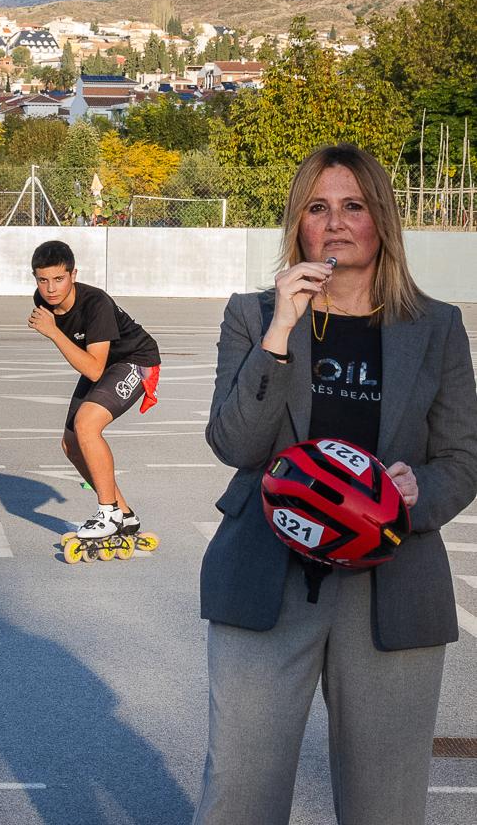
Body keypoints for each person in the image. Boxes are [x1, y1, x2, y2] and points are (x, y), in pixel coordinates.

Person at [195, 144, 477, 824]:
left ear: (382, 218)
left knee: (387, 807)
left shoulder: (436, 328)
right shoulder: (254, 314)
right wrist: (281, 331)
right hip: (267, 571)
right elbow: (234, 443)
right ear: (298, 224)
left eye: (354, 206)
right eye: (318, 207)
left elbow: (463, 460)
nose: (337, 222)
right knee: (239, 797)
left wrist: (418, 493)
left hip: (392, 583)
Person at [27, 240, 160, 539]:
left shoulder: (96, 303)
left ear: (74, 274)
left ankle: (108, 513)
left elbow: (94, 370)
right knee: (71, 444)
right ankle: (124, 515)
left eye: (59, 279)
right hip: (102, 362)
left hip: (135, 361)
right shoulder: (43, 299)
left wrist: (52, 332)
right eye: (43, 280)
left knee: (86, 424)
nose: (50, 289)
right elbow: (94, 364)